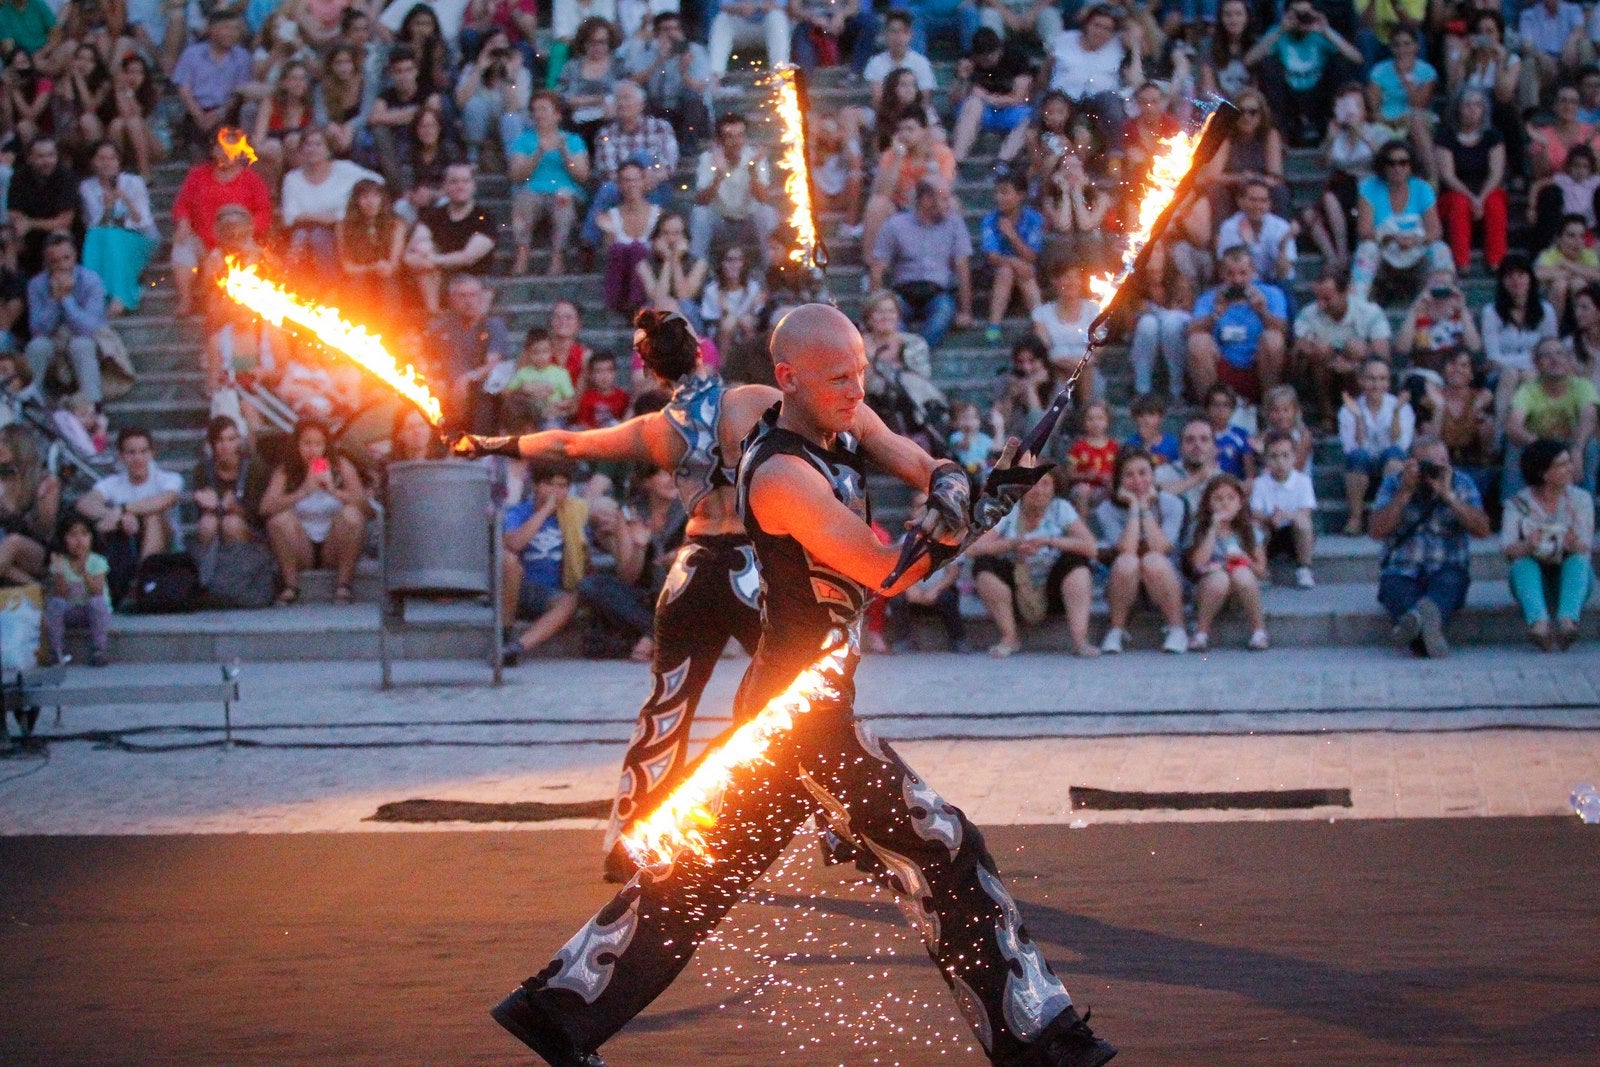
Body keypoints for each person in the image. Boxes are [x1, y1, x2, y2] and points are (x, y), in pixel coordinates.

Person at [488, 302, 1118, 1067]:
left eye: (861, 373)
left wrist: (949, 477)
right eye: (840, 379)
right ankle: (1045, 1044)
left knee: (696, 881)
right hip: (802, 719)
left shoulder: (836, 414)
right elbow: (891, 568)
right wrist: (986, 502)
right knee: (945, 845)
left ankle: (554, 1013)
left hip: (788, 706)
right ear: (789, 379)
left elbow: (902, 449)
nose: (858, 391)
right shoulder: (783, 472)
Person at [1369, 435, 1492, 658]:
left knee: (1448, 586)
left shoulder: (1461, 483)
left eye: (1444, 462)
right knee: (1395, 589)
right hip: (1402, 569)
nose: (1438, 469)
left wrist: (1450, 496)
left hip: (1447, 568)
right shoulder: (1395, 483)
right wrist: (1405, 492)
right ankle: (1424, 628)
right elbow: (1376, 531)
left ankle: (1415, 623)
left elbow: (1483, 530)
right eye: (1430, 464)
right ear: (1413, 464)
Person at [969, 467, 1098, 657]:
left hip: (1053, 588)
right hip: (1016, 585)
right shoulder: (1008, 509)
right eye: (1032, 485)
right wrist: (1013, 544)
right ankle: (1009, 638)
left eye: (1045, 484)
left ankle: (1080, 641)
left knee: (1077, 563)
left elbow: (1090, 547)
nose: (1038, 490)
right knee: (984, 565)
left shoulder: (1060, 508)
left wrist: (1049, 541)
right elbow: (973, 548)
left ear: (1054, 488)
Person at [259, 418, 369, 605]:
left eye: (318, 444)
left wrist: (333, 490)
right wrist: (303, 492)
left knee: (352, 516)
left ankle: (343, 584)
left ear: (326, 446)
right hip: (302, 546)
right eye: (307, 443)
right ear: (297, 445)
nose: (312, 450)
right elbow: (265, 508)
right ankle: (290, 585)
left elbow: (365, 506)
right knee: (279, 520)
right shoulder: (286, 470)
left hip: (333, 543)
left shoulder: (341, 465)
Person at [169, 130, 273, 317]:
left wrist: (243, 231)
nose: (226, 152)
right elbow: (181, 205)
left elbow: (263, 212)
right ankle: (186, 299)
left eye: (231, 148)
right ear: (214, 150)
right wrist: (183, 222)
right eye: (221, 147)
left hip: (237, 241)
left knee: (251, 253)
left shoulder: (251, 179)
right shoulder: (197, 175)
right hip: (203, 239)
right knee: (182, 246)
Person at [1502, 438, 1594, 650]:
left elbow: (1585, 547)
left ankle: (1567, 622)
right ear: (1543, 473)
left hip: (1572, 582)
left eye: (1569, 462)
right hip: (1533, 583)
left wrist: (1571, 544)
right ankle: (1539, 625)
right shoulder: (1517, 504)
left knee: (1578, 561)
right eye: (1562, 464)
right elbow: (1508, 550)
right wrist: (1529, 545)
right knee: (1522, 563)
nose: (1570, 468)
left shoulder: (1581, 500)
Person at [1097, 445, 1189, 654]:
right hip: (1126, 582)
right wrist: (1134, 507)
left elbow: (1161, 547)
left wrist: (1145, 507)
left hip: (1166, 578)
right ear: (1119, 480)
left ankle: (1177, 629)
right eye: (1129, 475)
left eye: (1143, 473)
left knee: (1153, 560)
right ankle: (1116, 629)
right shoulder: (1106, 510)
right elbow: (1126, 549)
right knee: (1127, 562)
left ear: (1153, 475)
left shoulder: (1173, 504)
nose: (1138, 481)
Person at [75, 427, 182, 605]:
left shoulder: (169, 479)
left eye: (143, 451)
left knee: (152, 516)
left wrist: (124, 510)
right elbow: (84, 504)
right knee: (103, 523)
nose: (138, 458)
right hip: (128, 546)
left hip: (167, 550)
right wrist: (115, 516)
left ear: (152, 453)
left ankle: (142, 581)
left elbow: (165, 500)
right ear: (121, 456)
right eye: (131, 452)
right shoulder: (114, 483)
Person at [867, 178, 974, 349]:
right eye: (944, 199)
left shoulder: (955, 225)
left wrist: (966, 311)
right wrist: (874, 308)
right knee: (890, 319)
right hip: (903, 291)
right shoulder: (895, 225)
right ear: (927, 200)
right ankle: (904, 352)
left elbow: (963, 268)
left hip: (937, 292)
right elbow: (877, 269)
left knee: (944, 312)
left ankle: (914, 352)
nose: (950, 204)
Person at [1351, 142, 1452, 307]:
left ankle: (1442, 303)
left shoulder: (1422, 188)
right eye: (1391, 163)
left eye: (1403, 162)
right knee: (1366, 249)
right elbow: (1364, 231)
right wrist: (1391, 238)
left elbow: (1435, 230)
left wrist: (1415, 240)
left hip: (1416, 247)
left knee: (1441, 249)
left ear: (1411, 165)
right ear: (1382, 166)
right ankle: (1357, 306)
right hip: (1384, 248)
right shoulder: (1369, 188)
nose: (1397, 168)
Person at [1250, 0, 1362, 146]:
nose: (1301, 19)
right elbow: (1249, 61)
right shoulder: (1279, 31)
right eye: (1297, 14)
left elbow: (1357, 59)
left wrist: (1326, 31)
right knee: (1268, 64)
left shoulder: (1320, 32)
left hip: (1318, 95)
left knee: (1339, 63)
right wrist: (1280, 30)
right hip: (1287, 95)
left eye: (1306, 14)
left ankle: (1336, 131)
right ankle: (1279, 135)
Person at [280, 128, 384, 285]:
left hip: (345, 230)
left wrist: (353, 209)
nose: (312, 149)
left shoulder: (345, 170)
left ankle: (330, 286)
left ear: (328, 149)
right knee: (308, 235)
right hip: (306, 233)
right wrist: (328, 218)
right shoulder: (292, 179)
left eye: (318, 144)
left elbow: (378, 181)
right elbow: (290, 217)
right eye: (308, 144)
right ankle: (295, 287)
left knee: (317, 236)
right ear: (301, 149)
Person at [1186, 245, 1288, 403]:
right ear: (1222, 273)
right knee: (1197, 343)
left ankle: (1270, 407)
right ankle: (1213, 407)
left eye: (1242, 273)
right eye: (1230, 274)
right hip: (1222, 368)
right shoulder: (1210, 298)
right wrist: (1215, 313)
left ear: (1252, 270)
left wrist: (1262, 311)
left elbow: (1283, 330)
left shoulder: (1271, 294)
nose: (1237, 280)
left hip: (1259, 367)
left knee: (1273, 338)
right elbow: (1191, 330)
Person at [1293, 267, 1393, 426]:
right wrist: (1327, 356)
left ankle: (1358, 413)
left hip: (1358, 376)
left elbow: (1383, 357)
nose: (1321, 305)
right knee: (1321, 349)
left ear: (1345, 293)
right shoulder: (1307, 315)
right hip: (1320, 375)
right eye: (1317, 298)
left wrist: (1355, 365)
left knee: (1355, 347)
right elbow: (1299, 351)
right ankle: (1327, 414)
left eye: (1327, 299)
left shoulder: (1369, 312)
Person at [860, 108, 956, 269]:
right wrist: (898, 158)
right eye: (900, 130)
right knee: (877, 205)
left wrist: (932, 166)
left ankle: (946, 267)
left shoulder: (942, 154)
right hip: (899, 210)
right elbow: (882, 193)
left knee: (952, 204)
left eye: (910, 129)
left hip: (929, 207)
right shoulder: (892, 154)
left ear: (925, 131)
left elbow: (944, 191)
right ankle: (871, 268)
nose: (904, 134)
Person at [507, 90, 590, 277]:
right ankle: (521, 254)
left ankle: (557, 257)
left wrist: (565, 152)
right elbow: (515, 176)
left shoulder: (572, 140)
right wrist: (537, 154)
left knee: (563, 198)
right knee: (523, 199)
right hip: (532, 191)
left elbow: (583, 176)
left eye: (544, 109)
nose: (538, 114)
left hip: (564, 191)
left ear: (557, 115)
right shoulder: (523, 140)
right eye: (535, 110)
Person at [1505, 338, 1599, 495]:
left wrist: (1577, 448)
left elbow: (1589, 415)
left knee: (1591, 443)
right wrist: (1540, 446)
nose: (1554, 359)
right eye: (1546, 355)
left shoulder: (1582, 386)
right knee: (1514, 443)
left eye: (1560, 354)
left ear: (1568, 360)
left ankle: (1586, 504)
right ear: (1536, 363)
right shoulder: (1529, 390)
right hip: (1539, 444)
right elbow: (1513, 424)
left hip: (1573, 443)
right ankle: (1513, 504)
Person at [1187, 473, 1269, 650]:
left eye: (1230, 498)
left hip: (1241, 587)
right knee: (1220, 579)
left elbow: (1261, 570)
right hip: (1210, 585)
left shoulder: (1250, 531)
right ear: (1209, 504)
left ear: (1240, 503)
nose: (1225, 503)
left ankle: (1259, 632)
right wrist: (1213, 529)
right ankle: (1201, 633)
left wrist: (1246, 560)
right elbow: (1197, 565)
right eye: (1218, 499)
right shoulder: (1199, 529)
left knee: (1242, 574)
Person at [1042, 4, 1140, 150]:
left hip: (1101, 98)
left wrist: (1135, 46)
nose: (1100, 32)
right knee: (1045, 103)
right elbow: (1045, 70)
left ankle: (1115, 156)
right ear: (1087, 24)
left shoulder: (1118, 44)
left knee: (1112, 104)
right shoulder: (1064, 40)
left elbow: (1135, 29)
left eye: (1107, 29)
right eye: (1097, 25)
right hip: (1065, 96)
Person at [78, 139, 156, 316]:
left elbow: (142, 220)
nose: (107, 163)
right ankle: (96, 294)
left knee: (113, 237)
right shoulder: (87, 187)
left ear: (119, 161)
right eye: (101, 158)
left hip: (140, 235)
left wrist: (125, 199)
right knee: (98, 236)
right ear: (93, 161)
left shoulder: (134, 182)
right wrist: (107, 208)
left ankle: (121, 295)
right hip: (105, 236)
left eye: (112, 158)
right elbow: (95, 223)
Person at [27, 233, 107, 404]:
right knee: (36, 346)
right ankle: (31, 401)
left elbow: (88, 329)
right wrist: (54, 300)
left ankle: (93, 404)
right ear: (47, 262)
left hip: (87, 339)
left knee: (81, 345)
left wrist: (66, 299)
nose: (62, 265)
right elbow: (37, 330)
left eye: (66, 258)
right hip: (53, 338)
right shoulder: (36, 284)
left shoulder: (91, 281)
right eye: (55, 261)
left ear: (75, 256)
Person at [1435, 88, 1508, 274]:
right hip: (1455, 191)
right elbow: (1447, 175)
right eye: (1467, 105)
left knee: (1495, 202)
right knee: (1459, 202)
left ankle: (1496, 261)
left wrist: (1480, 198)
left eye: (1477, 105)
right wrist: (1471, 198)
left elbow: (1496, 173)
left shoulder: (1493, 136)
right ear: (1458, 109)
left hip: (1485, 190)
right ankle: (1462, 262)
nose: (1472, 109)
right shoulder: (1446, 136)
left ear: (1484, 109)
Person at [689, 112, 777, 264]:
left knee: (767, 213)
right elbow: (701, 201)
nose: (737, 141)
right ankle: (696, 271)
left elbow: (764, 199)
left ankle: (770, 270)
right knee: (699, 214)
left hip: (748, 223)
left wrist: (752, 172)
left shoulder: (755, 157)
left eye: (740, 135)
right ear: (719, 140)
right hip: (720, 223)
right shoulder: (708, 158)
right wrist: (718, 176)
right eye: (730, 136)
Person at [1339, 357, 1414, 536]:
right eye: (1371, 379)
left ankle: (1389, 517)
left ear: (1388, 382)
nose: (1376, 384)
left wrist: (1395, 413)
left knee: (1394, 455)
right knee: (1357, 456)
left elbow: (1400, 445)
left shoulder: (1401, 407)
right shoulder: (1349, 408)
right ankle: (1355, 518)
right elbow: (1352, 448)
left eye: (1382, 379)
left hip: (1389, 464)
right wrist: (1358, 418)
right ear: (1361, 380)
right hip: (1362, 466)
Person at [407, 163, 497, 313]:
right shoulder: (434, 215)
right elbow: (411, 251)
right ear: (445, 187)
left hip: (476, 280)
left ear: (473, 186)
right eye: (454, 182)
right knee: (423, 248)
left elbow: (468, 257)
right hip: (443, 280)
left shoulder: (484, 218)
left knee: (469, 288)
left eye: (465, 181)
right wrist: (420, 256)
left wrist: (432, 261)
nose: (460, 186)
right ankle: (435, 317)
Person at [430, 272, 511, 434]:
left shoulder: (492, 325)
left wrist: (467, 379)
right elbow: (430, 360)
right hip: (445, 389)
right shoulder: (440, 327)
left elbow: (492, 363)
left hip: (480, 390)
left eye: (473, 295)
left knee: (481, 399)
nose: (469, 301)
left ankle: (478, 453)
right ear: (451, 298)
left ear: (481, 297)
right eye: (462, 296)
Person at [1482, 254, 1559, 423]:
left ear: (1530, 279)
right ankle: (1501, 434)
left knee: (1527, 376)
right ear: (1502, 281)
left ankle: (1536, 427)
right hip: (1499, 375)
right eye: (1510, 276)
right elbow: (1493, 357)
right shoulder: (1491, 312)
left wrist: (1524, 364)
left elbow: (1549, 351)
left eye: (1521, 275)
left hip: (1536, 371)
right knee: (1511, 374)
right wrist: (1529, 359)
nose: (1516, 281)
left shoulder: (1546, 311)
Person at [950, 27, 1033, 163]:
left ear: (999, 50)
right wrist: (962, 78)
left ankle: (1003, 160)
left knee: (1031, 118)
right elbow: (954, 100)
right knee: (973, 104)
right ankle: (957, 159)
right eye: (983, 57)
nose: (988, 59)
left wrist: (987, 97)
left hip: (1009, 110)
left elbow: (1020, 97)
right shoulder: (968, 61)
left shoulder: (1016, 57)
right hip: (981, 112)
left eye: (991, 54)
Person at [171, 12, 251, 151]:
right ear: (212, 29)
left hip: (228, 111)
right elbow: (184, 88)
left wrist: (221, 113)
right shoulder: (192, 54)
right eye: (227, 28)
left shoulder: (243, 57)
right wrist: (199, 116)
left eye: (235, 29)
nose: (232, 33)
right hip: (196, 110)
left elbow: (240, 91)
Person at [979, 172, 1044, 343]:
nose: (999, 197)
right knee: (1006, 271)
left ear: (1020, 195)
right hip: (997, 274)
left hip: (1027, 274)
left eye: (1005, 192)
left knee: (1025, 272)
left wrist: (1012, 236)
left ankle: (1041, 326)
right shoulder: (990, 220)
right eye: (997, 193)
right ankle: (994, 325)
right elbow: (992, 257)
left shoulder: (1034, 219)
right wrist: (1015, 262)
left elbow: (1032, 256)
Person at [43, 514, 111, 667]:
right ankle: (57, 652)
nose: (79, 540)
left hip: (91, 613)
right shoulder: (61, 562)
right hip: (70, 611)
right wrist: (59, 573)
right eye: (73, 535)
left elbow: (97, 591)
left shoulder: (97, 561)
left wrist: (84, 572)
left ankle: (99, 651)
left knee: (97, 603)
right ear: (63, 539)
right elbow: (60, 594)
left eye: (84, 534)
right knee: (54, 604)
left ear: (91, 537)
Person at [1252, 429, 1316, 588]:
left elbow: (1306, 511)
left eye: (1285, 455)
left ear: (1294, 457)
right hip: (1270, 531)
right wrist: (1270, 519)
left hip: (1293, 533)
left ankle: (1304, 568)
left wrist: (1286, 516)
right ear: (1266, 459)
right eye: (1274, 456)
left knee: (1303, 522)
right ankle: (1262, 569)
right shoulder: (1260, 483)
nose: (1280, 462)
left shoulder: (1303, 481)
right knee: (1255, 527)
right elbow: (1255, 512)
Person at [8, 136, 79, 279]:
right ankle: (13, 290)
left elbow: (65, 221)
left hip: (60, 232)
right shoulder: (19, 177)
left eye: (50, 155)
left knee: (59, 236)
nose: (46, 161)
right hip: (30, 232)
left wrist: (30, 224)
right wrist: (20, 227)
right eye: (41, 156)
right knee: (8, 238)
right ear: (29, 158)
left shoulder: (66, 177)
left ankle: (58, 286)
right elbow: (14, 212)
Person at [191, 414, 262, 549]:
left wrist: (233, 507)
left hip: (251, 530)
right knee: (207, 523)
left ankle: (237, 569)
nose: (226, 446)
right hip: (216, 523)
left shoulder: (253, 467)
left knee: (231, 523)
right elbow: (203, 507)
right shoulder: (203, 469)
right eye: (220, 440)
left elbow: (260, 512)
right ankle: (206, 568)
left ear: (238, 440)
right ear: (212, 443)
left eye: (231, 439)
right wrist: (215, 505)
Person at [1032, 258, 1098, 401]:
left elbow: (1098, 347)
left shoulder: (1094, 310)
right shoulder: (1042, 313)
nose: (1072, 282)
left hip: (1086, 366)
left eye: (1076, 277)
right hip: (1055, 366)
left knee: (1087, 371)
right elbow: (1044, 348)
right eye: (1066, 277)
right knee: (1060, 375)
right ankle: (1057, 416)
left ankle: (1086, 413)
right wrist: (1067, 363)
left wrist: (1079, 364)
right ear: (1055, 282)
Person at [0, 422, 58, 584]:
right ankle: (37, 589)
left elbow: (45, 530)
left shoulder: (44, 480)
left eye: (5, 442)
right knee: (7, 556)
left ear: (21, 445)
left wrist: (43, 503)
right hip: (4, 551)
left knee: (14, 542)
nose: (0, 446)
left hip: (39, 552)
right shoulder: (3, 481)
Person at [1215, 177, 1298, 288]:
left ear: (1269, 204)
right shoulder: (1229, 227)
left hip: (1276, 282)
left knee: (1285, 284)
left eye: (1263, 201)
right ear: (1240, 201)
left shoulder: (1281, 227)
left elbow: (1283, 274)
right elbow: (1228, 269)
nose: (1258, 205)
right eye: (1253, 200)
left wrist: (1282, 247)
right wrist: (1248, 246)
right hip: (1243, 283)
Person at [1395, 269, 1482, 371]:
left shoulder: (1463, 315)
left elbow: (1475, 348)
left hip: (1455, 371)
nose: (1440, 288)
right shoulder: (1418, 314)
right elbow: (1401, 349)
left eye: (1445, 284)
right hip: (1425, 370)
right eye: (1436, 284)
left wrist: (1462, 309)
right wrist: (1415, 310)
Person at [1534, 213, 1600, 320]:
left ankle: (1582, 331)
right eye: (1571, 236)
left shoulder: (1588, 254)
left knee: (1578, 284)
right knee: (1560, 285)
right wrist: (1578, 272)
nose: (1577, 242)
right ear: (1558, 239)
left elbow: (1597, 274)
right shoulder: (1549, 254)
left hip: (1585, 304)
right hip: (1551, 302)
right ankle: (1553, 333)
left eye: (1581, 236)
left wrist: (1566, 264)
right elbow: (1538, 273)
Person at [1155, 414, 1222, 516]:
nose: (1197, 445)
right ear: (1180, 447)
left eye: (1204, 439)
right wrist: (1199, 477)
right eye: (1190, 440)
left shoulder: (1222, 479)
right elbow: (1155, 498)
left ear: (1214, 447)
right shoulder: (1162, 473)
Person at [708, 0, 791, 77]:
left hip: (765, 25)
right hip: (740, 25)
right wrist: (740, 7)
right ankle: (715, 76)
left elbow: (782, 6)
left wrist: (758, 6)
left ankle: (780, 75)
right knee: (722, 19)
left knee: (778, 18)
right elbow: (724, 5)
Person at [1124, 391, 1177, 465]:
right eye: (1141, 415)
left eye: (1151, 414)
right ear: (1135, 418)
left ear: (1161, 417)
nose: (1146, 420)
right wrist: (1146, 443)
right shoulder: (1130, 445)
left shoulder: (1173, 444)